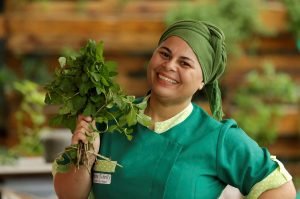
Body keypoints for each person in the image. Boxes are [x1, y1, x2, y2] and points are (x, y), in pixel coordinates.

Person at [53, 20, 296, 199]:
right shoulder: (107, 120)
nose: (169, 66)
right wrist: (85, 155)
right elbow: (69, 195)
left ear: (202, 81)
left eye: (185, 63)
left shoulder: (216, 138)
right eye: (164, 54)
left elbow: (279, 188)